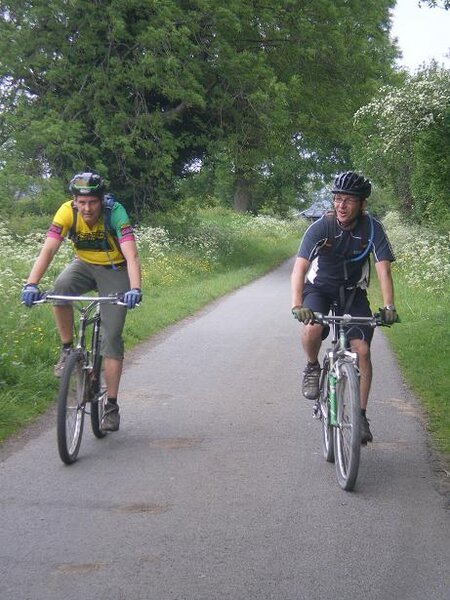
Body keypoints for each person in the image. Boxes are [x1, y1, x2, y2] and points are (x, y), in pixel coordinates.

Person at [21, 172, 142, 432]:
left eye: (92, 202)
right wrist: (31, 283)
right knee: (60, 289)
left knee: (111, 339)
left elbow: (131, 255)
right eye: (81, 202)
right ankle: (67, 350)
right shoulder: (67, 212)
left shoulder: (116, 212)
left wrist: (134, 289)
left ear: (101, 200)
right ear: (74, 200)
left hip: (115, 270)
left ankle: (111, 405)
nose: (87, 208)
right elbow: (50, 248)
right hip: (83, 264)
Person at [290, 171, 398, 444]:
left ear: (362, 204)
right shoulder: (321, 227)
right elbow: (299, 268)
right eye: (338, 199)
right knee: (313, 328)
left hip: (352, 292)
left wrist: (388, 306)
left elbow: (383, 269)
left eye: (349, 200)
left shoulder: (372, 228)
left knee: (362, 349)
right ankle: (313, 367)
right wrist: (297, 304)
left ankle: (360, 416)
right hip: (320, 289)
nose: (341, 205)